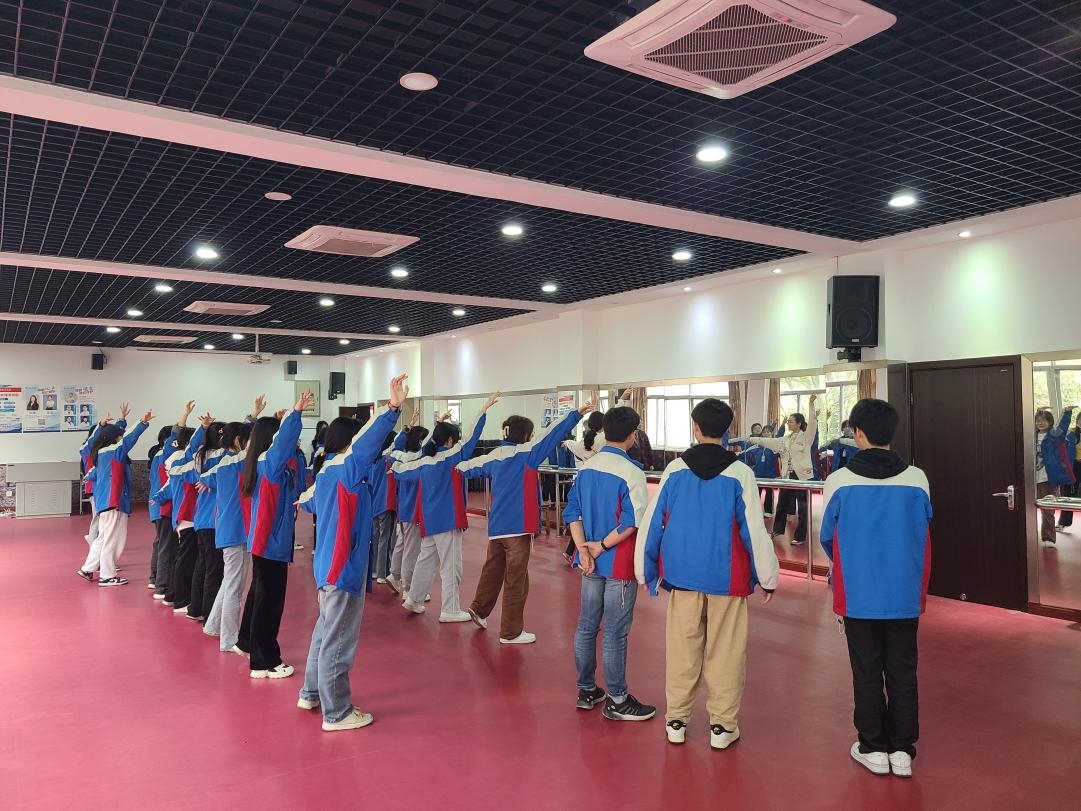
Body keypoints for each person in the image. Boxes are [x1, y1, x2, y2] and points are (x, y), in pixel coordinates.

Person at [637, 398, 779, 749]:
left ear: (695, 428)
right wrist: (767, 577)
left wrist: (645, 571)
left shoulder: (674, 471)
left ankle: (676, 721)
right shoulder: (740, 474)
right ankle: (722, 727)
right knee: (726, 653)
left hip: (682, 577)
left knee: (682, 650)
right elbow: (753, 530)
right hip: (727, 579)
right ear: (727, 430)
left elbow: (652, 523)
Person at [820, 398, 932, 778]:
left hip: (858, 594)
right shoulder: (917, 478)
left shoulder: (839, 481)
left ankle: (872, 747)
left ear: (857, 433)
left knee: (866, 670)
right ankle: (902, 750)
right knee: (903, 670)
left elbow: (827, 537)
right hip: (903, 593)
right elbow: (923, 529)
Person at [295, 375, 408, 732]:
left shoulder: (326, 472)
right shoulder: (347, 468)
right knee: (339, 639)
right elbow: (367, 445)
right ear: (351, 442)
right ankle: (337, 712)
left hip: (327, 564)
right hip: (343, 565)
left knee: (325, 631)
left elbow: (307, 502)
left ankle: (311, 691)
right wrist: (392, 409)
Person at [459, 402, 593, 644]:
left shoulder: (494, 456)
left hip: (496, 528)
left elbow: (463, 468)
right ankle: (510, 632)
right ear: (526, 436)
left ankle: (479, 609)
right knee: (517, 579)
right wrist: (575, 415)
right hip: (518, 528)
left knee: (492, 571)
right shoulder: (527, 454)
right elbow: (553, 434)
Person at [564, 406, 654, 721]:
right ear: (633, 435)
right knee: (615, 632)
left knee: (587, 626)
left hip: (590, 562)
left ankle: (587, 690)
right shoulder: (632, 472)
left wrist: (583, 550)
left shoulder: (587, 468)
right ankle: (617, 698)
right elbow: (631, 522)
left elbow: (572, 512)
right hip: (617, 562)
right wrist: (601, 546)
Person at [393, 393, 500, 621]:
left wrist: (392, 466)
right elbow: (472, 437)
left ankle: (414, 598)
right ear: (450, 441)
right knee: (451, 566)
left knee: (426, 560)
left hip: (429, 520)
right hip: (448, 519)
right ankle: (450, 609)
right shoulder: (452, 457)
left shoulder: (424, 462)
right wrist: (483, 410)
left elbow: (400, 471)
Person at [237, 390, 314, 678]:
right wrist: (295, 414)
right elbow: (284, 445)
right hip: (271, 540)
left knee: (259, 594)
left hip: (265, 539)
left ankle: (246, 642)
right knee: (270, 602)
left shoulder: (262, 462)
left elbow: (291, 461)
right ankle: (264, 661)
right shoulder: (270, 463)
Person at [76, 410, 153, 586]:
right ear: (115, 438)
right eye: (120, 436)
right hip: (113, 502)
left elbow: (93, 474)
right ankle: (107, 576)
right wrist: (142, 422)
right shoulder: (114, 451)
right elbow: (131, 438)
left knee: (103, 538)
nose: (122, 438)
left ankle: (88, 568)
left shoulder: (101, 453)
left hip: (104, 502)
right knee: (110, 539)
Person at [200, 420, 254, 654]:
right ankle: (229, 639)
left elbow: (204, 477)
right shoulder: (241, 461)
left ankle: (213, 625)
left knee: (229, 581)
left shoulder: (221, 464)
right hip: (236, 530)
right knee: (235, 586)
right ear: (238, 440)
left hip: (226, 528)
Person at [749, 395, 819, 545]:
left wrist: (811, 405)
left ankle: (800, 536)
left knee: (803, 507)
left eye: (791, 421)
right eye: (788, 421)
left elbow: (813, 423)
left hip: (802, 476)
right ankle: (777, 530)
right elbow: (769, 441)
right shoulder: (785, 439)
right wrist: (753, 439)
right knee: (781, 504)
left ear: (799, 424)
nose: (789, 423)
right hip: (788, 476)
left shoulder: (806, 437)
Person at [386, 413, 430, 597]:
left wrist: (407, 428)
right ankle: (409, 588)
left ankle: (394, 574)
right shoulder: (419, 459)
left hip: (403, 506)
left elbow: (393, 447)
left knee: (402, 543)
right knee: (412, 549)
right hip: (413, 508)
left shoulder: (399, 456)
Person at [1035, 406, 1077, 546]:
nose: (1040, 423)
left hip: (1048, 478)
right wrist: (1037, 410)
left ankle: (1048, 538)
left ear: (1050, 422)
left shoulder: (1053, 436)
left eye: (1044, 420)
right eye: (1038, 420)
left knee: (1048, 510)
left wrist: (1067, 413)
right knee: (1026, 509)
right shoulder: (1030, 434)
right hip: (1030, 477)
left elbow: (1062, 428)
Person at [147, 424, 177, 592]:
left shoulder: (156, 456)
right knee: (166, 545)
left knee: (160, 542)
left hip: (156, 506)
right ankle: (162, 586)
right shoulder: (167, 455)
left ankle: (154, 578)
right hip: (164, 505)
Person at [1058, 412, 1081, 530]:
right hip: (1073, 465)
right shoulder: (1070, 433)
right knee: (1068, 494)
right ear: (1077, 421)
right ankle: (1064, 522)